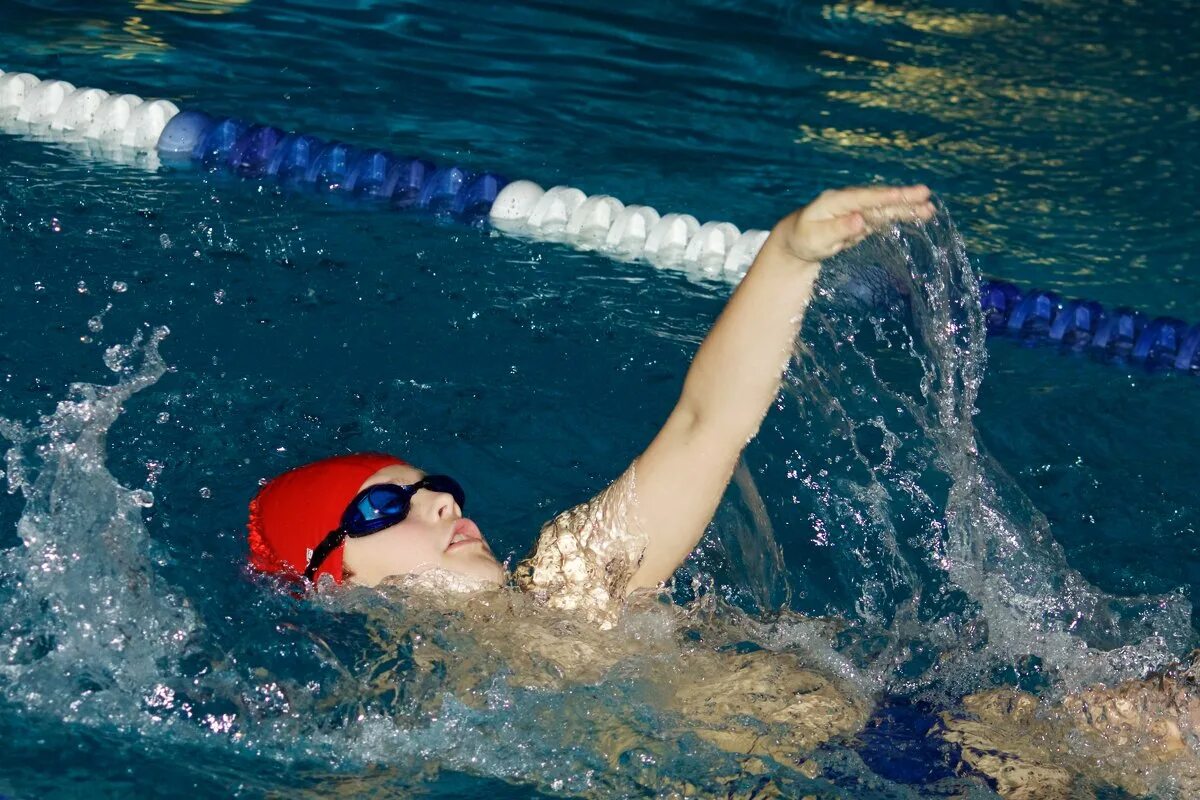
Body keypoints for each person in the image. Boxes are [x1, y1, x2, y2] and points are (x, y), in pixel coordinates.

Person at [247, 184, 936, 619]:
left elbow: (706, 426)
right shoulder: (400, 725)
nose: (443, 502)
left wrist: (789, 255)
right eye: (382, 506)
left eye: (433, 487)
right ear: (335, 579)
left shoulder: (565, 579)